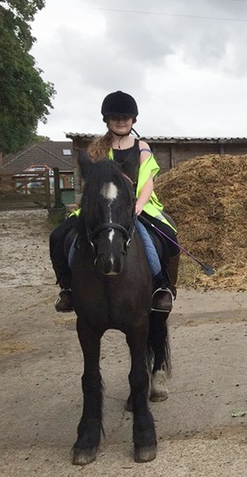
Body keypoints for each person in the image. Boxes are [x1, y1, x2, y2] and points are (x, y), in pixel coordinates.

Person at [49, 90, 179, 313]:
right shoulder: (97, 149)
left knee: (170, 235)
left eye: (125, 117)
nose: (121, 121)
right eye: (116, 117)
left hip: (138, 203)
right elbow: (91, 183)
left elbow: (147, 181)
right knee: (58, 235)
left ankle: (165, 288)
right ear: (107, 119)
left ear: (133, 120)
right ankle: (67, 288)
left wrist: (138, 205)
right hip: (103, 206)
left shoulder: (142, 147)